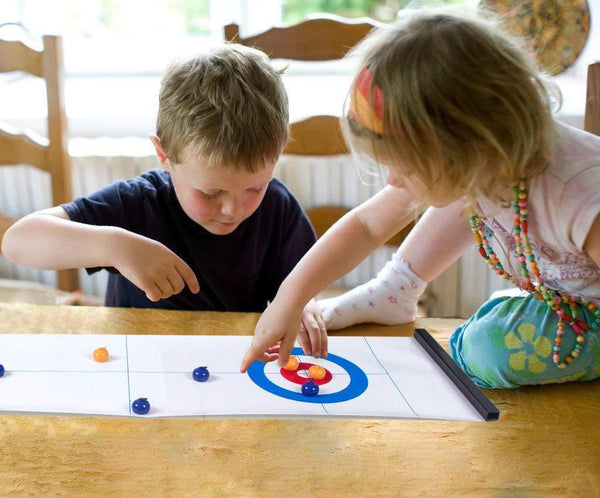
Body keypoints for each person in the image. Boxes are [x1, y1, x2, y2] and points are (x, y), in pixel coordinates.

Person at [240, 9, 600, 389]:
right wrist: (290, 299)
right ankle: (395, 289)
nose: (395, 180)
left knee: (484, 350)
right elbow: (365, 226)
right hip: (557, 290)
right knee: (462, 193)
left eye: (406, 167)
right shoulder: (483, 156)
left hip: (591, 312)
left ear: (468, 142)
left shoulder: (579, 196)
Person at [2, 44, 326, 349]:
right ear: (164, 155)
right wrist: (115, 247)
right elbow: (17, 241)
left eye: (255, 188)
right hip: (138, 365)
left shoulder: (278, 207)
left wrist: (305, 305)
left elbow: (302, 284)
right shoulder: (139, 204)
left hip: (229, 370)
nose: (232, 209)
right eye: (210, 192)